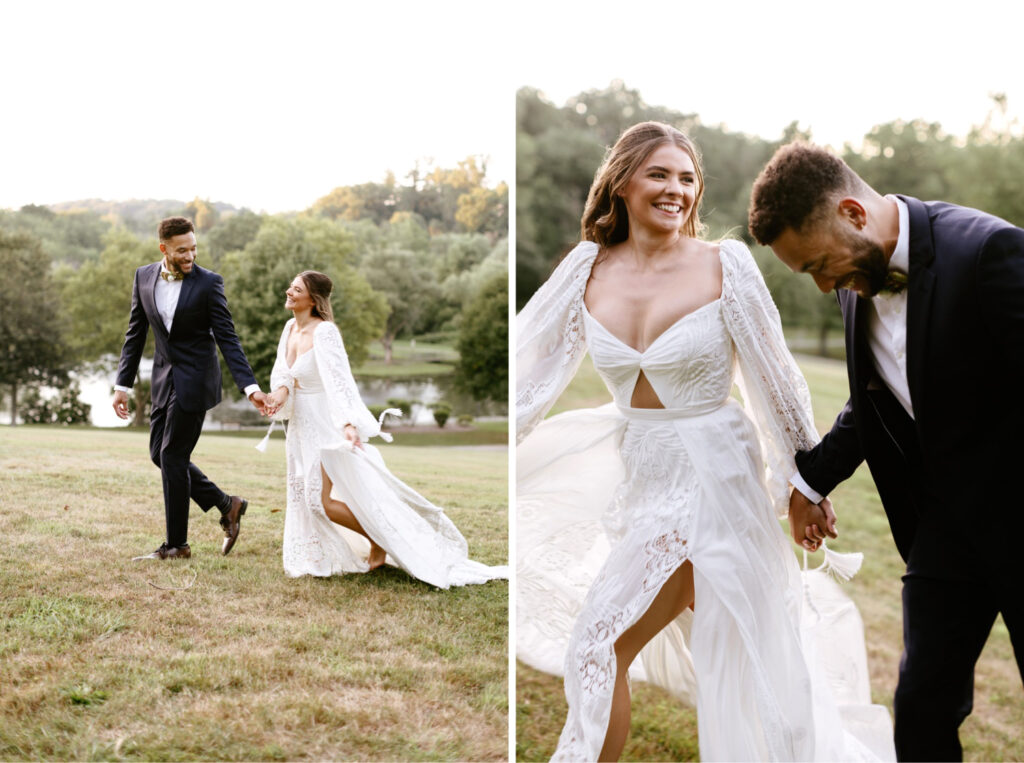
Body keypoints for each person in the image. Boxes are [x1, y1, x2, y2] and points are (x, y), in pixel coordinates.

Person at [517, 122, 893, 761]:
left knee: (598, 646)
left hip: (713, 482)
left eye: (687, 178)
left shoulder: (726, 264)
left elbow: (777, 383)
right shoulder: (587, 266)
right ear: (622, 182)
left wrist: (805, 482)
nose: (676, 190)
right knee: (754, 662)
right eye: (660, 174)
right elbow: (527, 369)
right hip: (642, 476)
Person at [748, 142, 1024, 761]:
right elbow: (871, 400)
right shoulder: (855, 274)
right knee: (922, 708)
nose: (823, 286)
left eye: (819, 265)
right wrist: (809, 482)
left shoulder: (987, 251)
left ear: (852, 212)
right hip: (945, 532)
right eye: (809, 274)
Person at [259, 270, 508, 588]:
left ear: (313, 299)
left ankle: (378, 540)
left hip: (325, 423)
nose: (288, 292)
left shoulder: (325, 333)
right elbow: (285, 374)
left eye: (296, 289)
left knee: (316, 500)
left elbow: (340, 382)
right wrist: (276, 397)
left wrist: (348, 424)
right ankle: (316, 554)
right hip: (300, 425)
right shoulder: (289, 327)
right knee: (300, 494)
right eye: (291, 287)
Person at [113, 216, 267, 560]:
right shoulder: (143, 276)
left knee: (172, 456)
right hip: (163, 380)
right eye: (182, 250)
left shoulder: (210, 283)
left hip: (196, 380)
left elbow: (228, 339)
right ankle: (227, 504)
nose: (190, 255)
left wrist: (250, 387)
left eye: (194, 248)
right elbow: (135, 334)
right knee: (159, 454)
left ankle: (176, 546)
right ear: (163, 248)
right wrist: (122, 385)